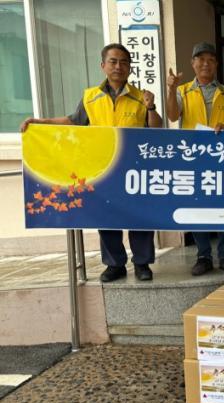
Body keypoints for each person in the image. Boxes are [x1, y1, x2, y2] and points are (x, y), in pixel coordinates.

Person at [20, 43, 162, 282]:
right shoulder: (90, 97)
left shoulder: (142, 97)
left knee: (139, 215)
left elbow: (156, 128)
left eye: (124, 62)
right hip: (102, 167)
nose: (118, 66)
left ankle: (142, 263)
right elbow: (74, 122)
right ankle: (115, 265)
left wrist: (151, 107)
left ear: (130, 67)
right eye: (113, 61)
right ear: (103, 65)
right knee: (105, 216)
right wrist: (41, 122)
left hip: (134, 168)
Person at [165, 42, 224, 276]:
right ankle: (203, 256)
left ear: (216, 64)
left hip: (223, 160)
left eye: (210, 59)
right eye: (200, 59)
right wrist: (171, 89)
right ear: (193, 64)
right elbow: (172, 116)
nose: (205, 64)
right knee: (197, 207)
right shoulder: (182, 91)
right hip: (194, 159)